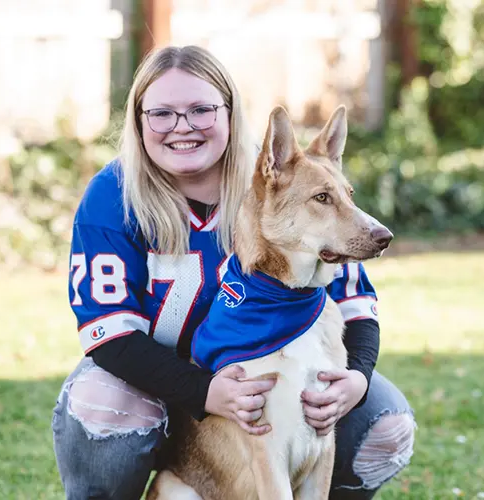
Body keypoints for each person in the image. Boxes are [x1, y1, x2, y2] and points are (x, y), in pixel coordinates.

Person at [52, 45, 415, 500]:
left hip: (266, 378)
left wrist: (357, 378)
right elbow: (108, 335)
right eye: (162, 113)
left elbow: (356, 305)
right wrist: (205, 392)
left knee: (386, 425)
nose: (182, 127)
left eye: (201, 109)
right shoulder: (114, 193)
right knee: (103, 405)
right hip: (152, 384)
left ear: (229, 112)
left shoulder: (280, 183)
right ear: (139, 119)